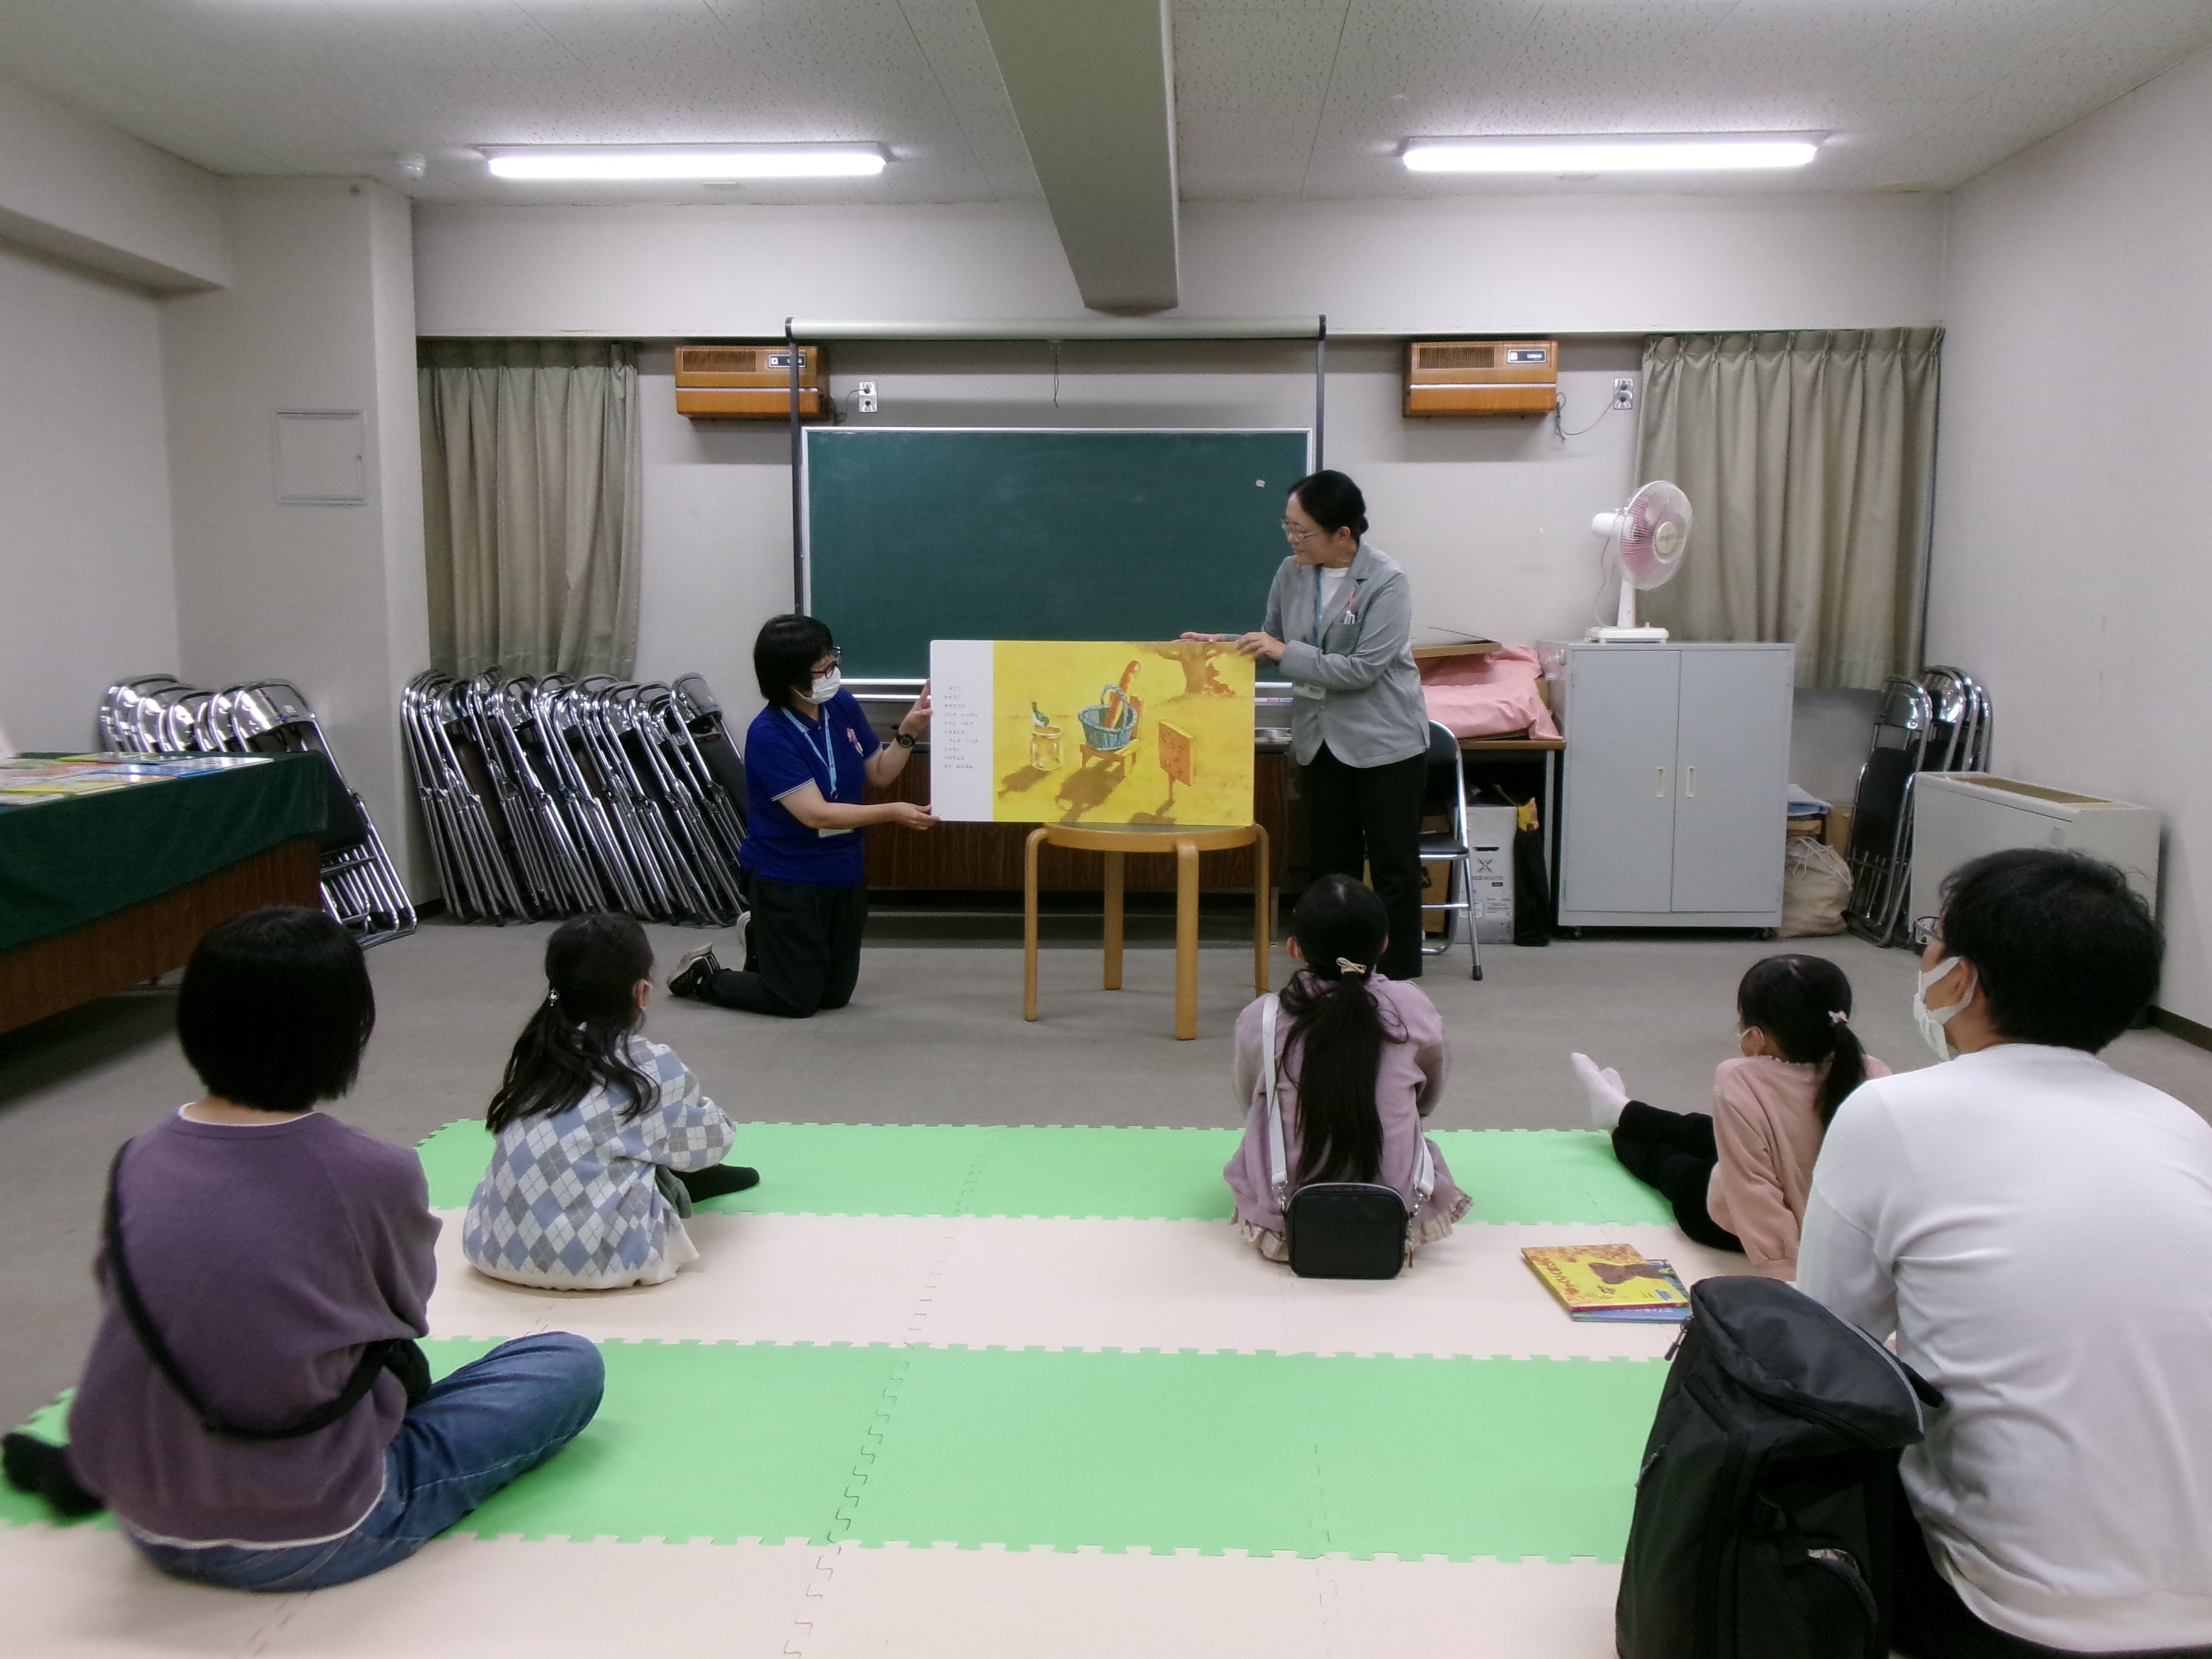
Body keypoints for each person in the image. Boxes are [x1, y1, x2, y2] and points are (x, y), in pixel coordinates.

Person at [0, 906, 603, 1591]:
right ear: (348, 1034)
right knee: (565, 1364)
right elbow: (404, 1315)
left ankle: (87, 1467)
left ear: (194, 1023)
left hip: (150, 1514)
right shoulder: (377, 1172)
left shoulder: (137, 1160)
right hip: (317, 1531)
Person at [1799, 850, 2212, 1658]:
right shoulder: (2181, 1125)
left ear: (1964, 981)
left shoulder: (1892, 1113)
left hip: (2008, 1614)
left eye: (1932, 941)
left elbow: (1821, 1355)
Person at [1184, 470, 1429, 980]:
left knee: (1393, 869)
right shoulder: (1292, 572)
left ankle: (1397, 976)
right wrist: (1224, 647)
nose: (1293, 539)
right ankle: (1333, 971)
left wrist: (1280, 650)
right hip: (1320, 742)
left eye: (1302, 531)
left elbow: (1363, 669)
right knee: (1330, 869)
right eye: (1288, 528)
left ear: (1343, 534)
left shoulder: (1386, 581)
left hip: (1385, 743)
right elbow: (1274, 642)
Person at [464, 914, 754, 1290]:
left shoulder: (536, 1057)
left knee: (618, 1141)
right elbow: (714, 1142)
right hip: (608, 1260)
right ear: (642, 991)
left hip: (494, 1251)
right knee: (663, 1141)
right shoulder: (648, 1067)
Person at [669, 613, 935, 1017]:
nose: (832, 672)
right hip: (788, 874)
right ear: (788, 679)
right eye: (821, 668)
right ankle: (706, 976)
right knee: (794, 1000)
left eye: (832, 660)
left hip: (844, 869)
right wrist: (893, 814)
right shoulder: (769, 735)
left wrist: (910, 731)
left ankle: (763, 936)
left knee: (834, 995)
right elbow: (815, 815)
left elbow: (880, 773)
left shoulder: (841, 706)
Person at [1570, 953, 1891, 1278]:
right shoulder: (1873, 1072)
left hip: (1744, 1228)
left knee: (1670, 1164)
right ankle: (1623, 1109)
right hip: (1821, 1220)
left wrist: (1786, 1267)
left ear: (1756, 1035)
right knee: (1702, 1130)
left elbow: (1754, 1189)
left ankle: (1615, 1125)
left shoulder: (1740, 1078)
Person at [1223, 875, 1469, 1259]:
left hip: (1287, 1213)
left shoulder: (1265, 1015)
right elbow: (1431, 1085)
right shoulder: (1412, 1005)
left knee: (1263, 1120)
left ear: (1294, 948)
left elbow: (1249, 1092)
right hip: (1396, 1213)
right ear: (1385, 944)